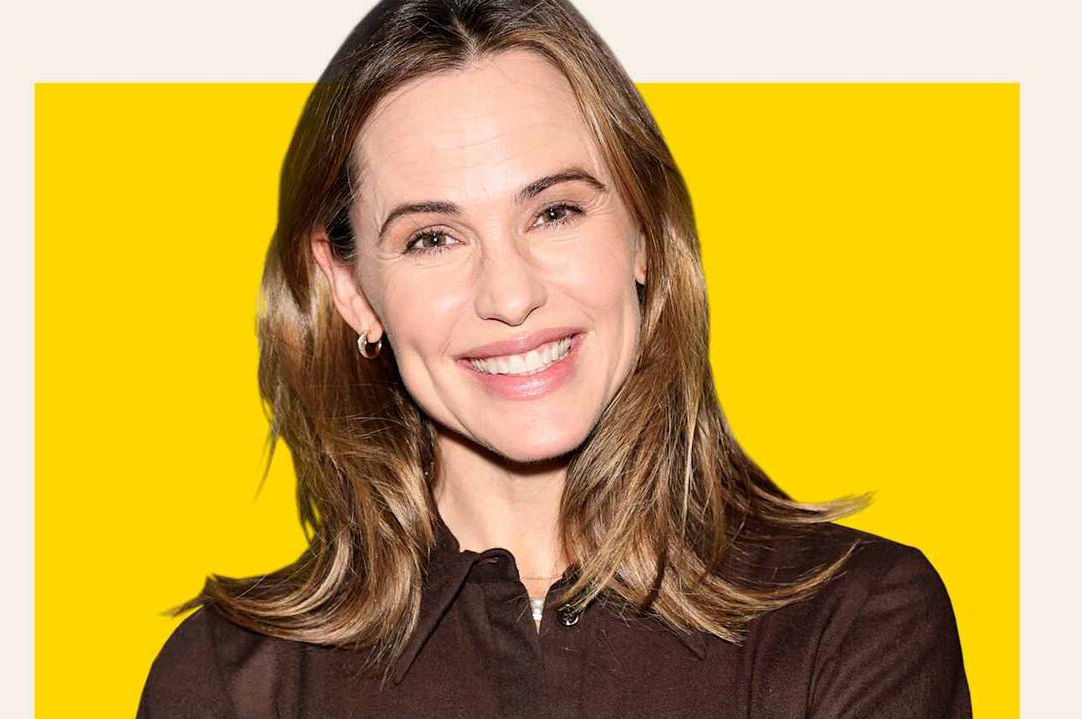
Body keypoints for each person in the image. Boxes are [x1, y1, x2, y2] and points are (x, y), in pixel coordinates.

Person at [136, 1, 972, 716]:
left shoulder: (855, 621)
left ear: (643, 229)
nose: (509, 295)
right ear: (350, 289)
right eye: (432, 237)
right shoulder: (229, 683)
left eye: (555, 212)